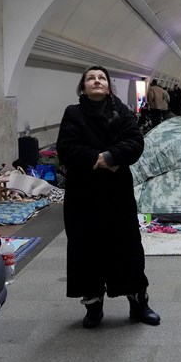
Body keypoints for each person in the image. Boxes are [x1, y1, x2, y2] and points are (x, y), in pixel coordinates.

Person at [56, 66, 160, 328]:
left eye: (101, 78)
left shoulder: (121, 111)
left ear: (108, 85)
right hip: (83, 195)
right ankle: (93, 308)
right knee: (86, 250)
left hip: (117, 195)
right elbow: (66, 148)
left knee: (127, 248)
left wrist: (112, 156)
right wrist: (98, 159)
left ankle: (139, 304)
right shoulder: (73, 113)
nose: (96, 81)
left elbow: (135, 141)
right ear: (83, 86)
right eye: (90, 78)